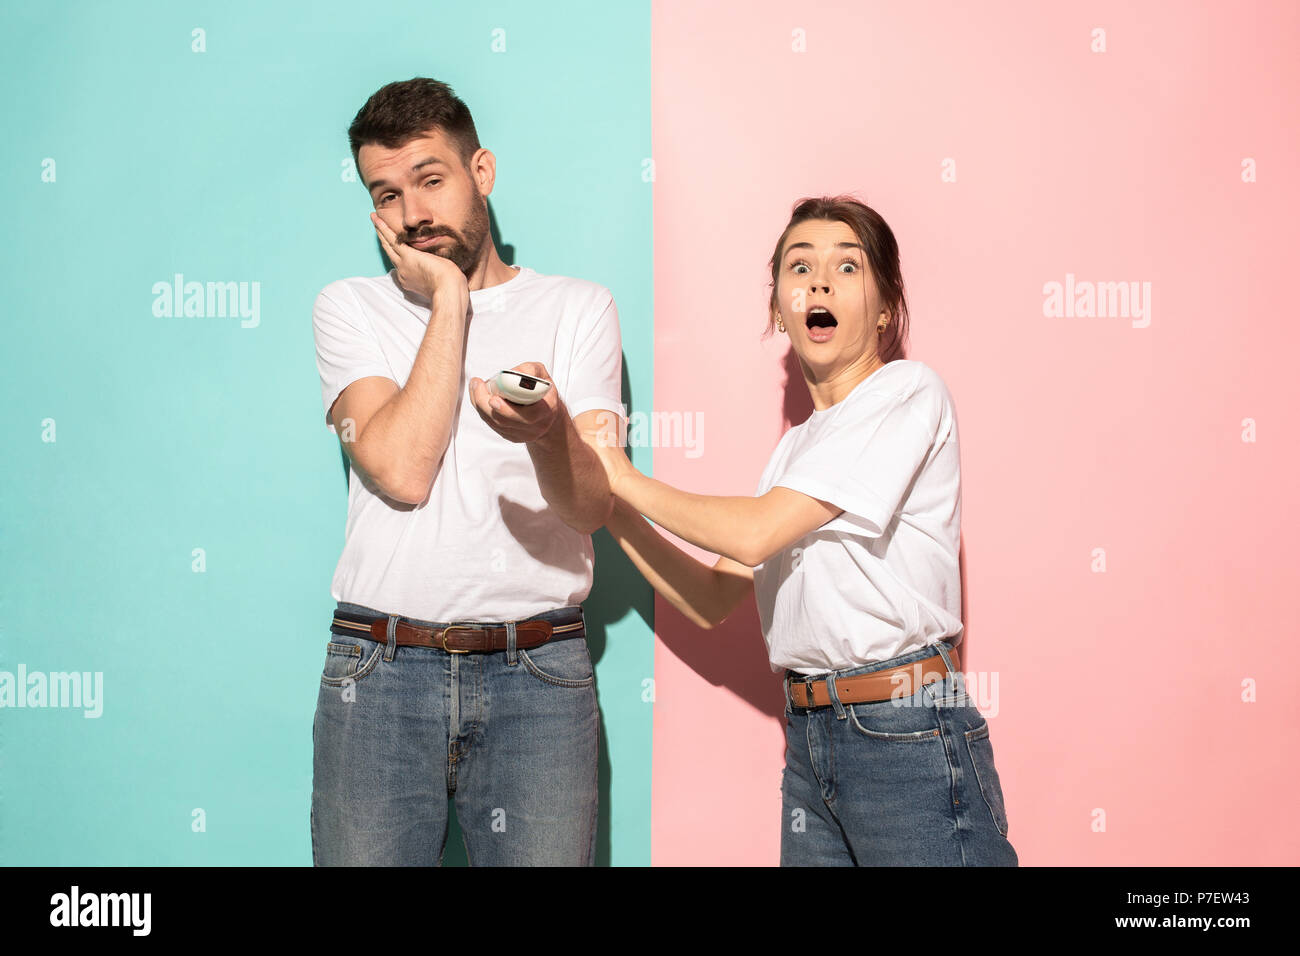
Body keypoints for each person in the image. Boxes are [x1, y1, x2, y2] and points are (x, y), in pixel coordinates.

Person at [583, 195, 1019, 866]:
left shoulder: (907, 392)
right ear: (778, 308)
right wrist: (609, 507)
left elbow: (755, 534)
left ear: (884, 308)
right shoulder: (793, 453)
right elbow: (710, 598)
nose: (819, 281)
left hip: (904, 728)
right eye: (799, 266)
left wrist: (617, 474)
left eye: (847, 267)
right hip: (811, 739)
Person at [310, 77, 624, 866]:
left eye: (430, 179)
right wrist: (450, 298)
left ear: (480, 171)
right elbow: (403, 470)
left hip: (539, 675)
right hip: (378, 670)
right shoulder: (349, 307)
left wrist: (549, 434)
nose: (413, 212)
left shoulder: (580, 308)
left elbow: (590, 508)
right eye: (386, 194)